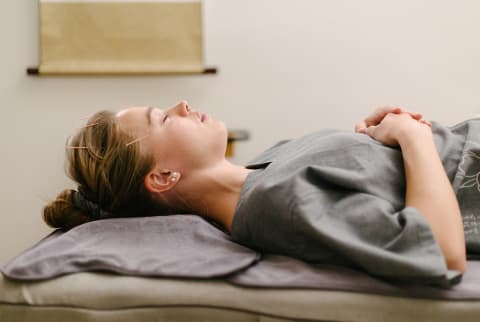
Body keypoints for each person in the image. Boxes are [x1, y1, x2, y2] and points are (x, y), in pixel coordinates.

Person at [44, 101, 471, 284]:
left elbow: (373, 175)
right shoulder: (272, 205)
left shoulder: (266, 164)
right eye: (163, 119)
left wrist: (381, 132)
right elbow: (439, 249)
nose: (182, 105)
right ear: (163, 177)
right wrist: (412, 138)